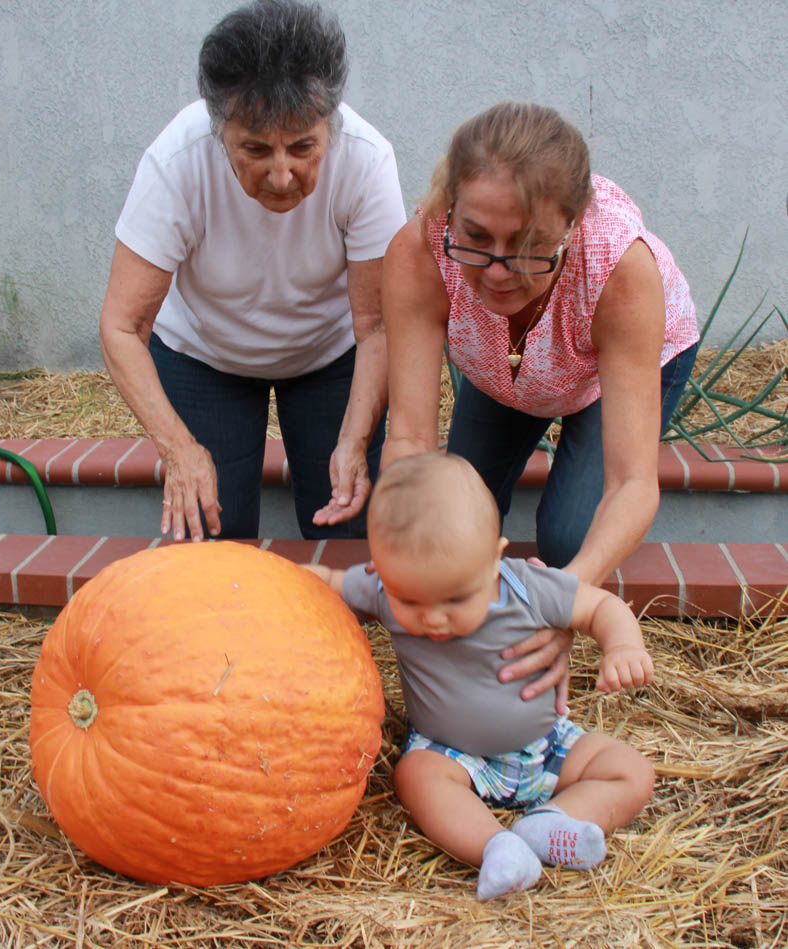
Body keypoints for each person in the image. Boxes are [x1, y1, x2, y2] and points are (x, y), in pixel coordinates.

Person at [100, 0, 406, 543]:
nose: (283, 175)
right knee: (214, 537)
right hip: (204, 355)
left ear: (330, 125)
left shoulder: (366, 160)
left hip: (330, 354)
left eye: (303, 146)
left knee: (349, 529)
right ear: (220, 130)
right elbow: (123, 327)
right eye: (256, 148)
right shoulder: (178, 161)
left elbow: (378, 325)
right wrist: (178, 449)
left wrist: (354, 442)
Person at [305, 452, 655, 900]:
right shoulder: (384, 588)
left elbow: (600, 606)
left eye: (455, 600)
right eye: (409, 602)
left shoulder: (528, 587)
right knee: (415, 776)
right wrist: (271, 577)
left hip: (546, 745)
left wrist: (623, 645)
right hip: (451, 756)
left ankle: (552, 822)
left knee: (631, 771)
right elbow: (328, 582)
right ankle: (496, 847)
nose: (432, 618)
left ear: (495, 560)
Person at [381, 101, 699, 590]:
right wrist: (404, 554)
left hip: (605, 372)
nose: (497, 271)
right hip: (502, 369)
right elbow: (409, 440)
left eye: (529, 244)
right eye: (476, 236)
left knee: (570, 540)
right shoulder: (421, 250)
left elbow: (631, 485)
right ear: (451, 207)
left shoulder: (621, 272)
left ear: (571, 225)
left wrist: (566, 598)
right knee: (454, 515)